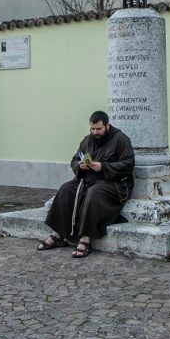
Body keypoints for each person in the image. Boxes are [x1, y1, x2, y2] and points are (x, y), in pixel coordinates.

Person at [37, 110, 134, 258]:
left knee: (94, 193)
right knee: (65, 189)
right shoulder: (87, 140)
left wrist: (103, 167)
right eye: (92, 129)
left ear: (107, 126)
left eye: (99, 129)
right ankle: (58, 234)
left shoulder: (121, 139)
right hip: (89, 179)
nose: (95, 132)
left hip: (114, 183)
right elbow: (75, 159)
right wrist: (79, 166)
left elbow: (128, 164)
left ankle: (85, 238)